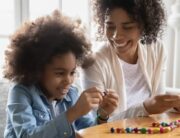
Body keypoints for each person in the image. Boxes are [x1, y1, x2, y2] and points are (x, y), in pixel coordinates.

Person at [3, 11, 119, 138]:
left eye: (72, 72)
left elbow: (87, 132)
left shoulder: (71, 94)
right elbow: (26, 135)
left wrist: (102, 115)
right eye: (59, 73)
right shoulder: (21, 92)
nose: (68, 80)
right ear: (38, 69)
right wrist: (73, 113)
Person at [82, 0, 180, 121]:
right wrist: (145, 108)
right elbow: (96, 125)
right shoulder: (94, 63)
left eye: (127, 27)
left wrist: (173, 105)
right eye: (110, 26)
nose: (116, 36)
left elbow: (158, 108)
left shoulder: (156, 48)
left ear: (144, 26)